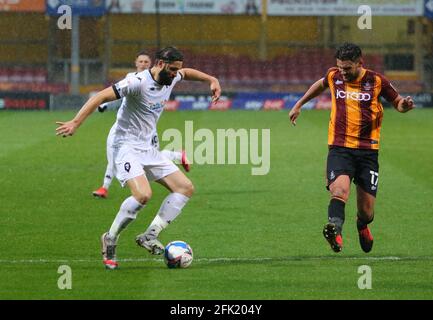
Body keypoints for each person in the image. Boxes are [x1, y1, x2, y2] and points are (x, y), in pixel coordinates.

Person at [56, 46, 221, 269]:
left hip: (148, 147)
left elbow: (188, 72)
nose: (175, 74)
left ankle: (149, 235)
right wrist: (76, 122)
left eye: (177, 70)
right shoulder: (136, 82)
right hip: (126, 145)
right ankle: (110, 238)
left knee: (185, 188)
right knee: (143, 195)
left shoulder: (170, 77)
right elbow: (102, 96)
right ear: (160, 64)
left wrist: (212, 79)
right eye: (172, 69)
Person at [288, 43, 415, 253]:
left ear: (359, 63)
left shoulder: (376, 80)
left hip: (368, 151)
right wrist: (299, 104)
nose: (343, 72)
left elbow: (398, 102)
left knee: (366, 211)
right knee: (339, 190)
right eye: (340, 67)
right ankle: (335, 230)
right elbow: (319, 85)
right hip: (340, 147)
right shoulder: (334, 76)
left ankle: (362, 224)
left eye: (347, 68)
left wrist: (405, 106)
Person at [93, 51, 189, 199]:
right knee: (114, 153)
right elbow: (114, 95)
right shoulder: (132, 79)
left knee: (151, 156)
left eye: (146, 62)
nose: (143, 64)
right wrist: (104, 105)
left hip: (148, 129)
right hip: (126, 128)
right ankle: (105, 186)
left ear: (152, 64)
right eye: (141, 61)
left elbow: (184, 73)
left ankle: (175, 156)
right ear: (136, 63)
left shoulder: (163, 78)